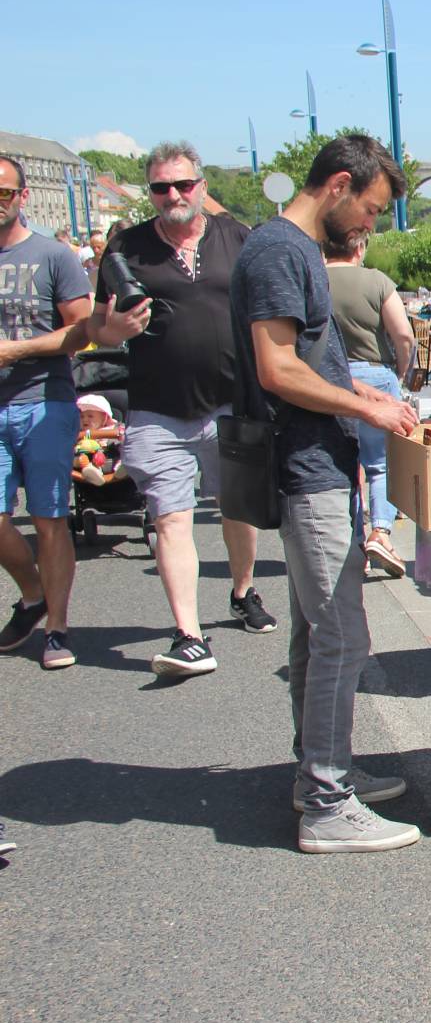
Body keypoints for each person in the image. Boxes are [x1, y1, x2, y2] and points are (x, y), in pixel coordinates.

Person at [231, 134, 418, 854]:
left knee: (319, 632)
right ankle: (326, 801)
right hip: (306, 465)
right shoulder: (281, 251)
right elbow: (277, 368)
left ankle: (322, 772)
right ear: (338, 185)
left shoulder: (292, 248)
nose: (370, 226)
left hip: (318, 462)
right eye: (369, 210)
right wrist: (366, 407)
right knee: (342, 634)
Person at [88, 142, 277, 678]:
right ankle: (189, 636)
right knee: (171, 519)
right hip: (157, 409)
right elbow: (97, 326)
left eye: (183, 185)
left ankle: (242, 591)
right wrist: (115, 330)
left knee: (236, 510)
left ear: (202, 186)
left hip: (229, 404)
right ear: (150, 192)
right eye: (161, 187)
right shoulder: (127, 246)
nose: (173, 195)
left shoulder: (236, 238)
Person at [0, 156, 140, 667]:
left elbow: (81, 330)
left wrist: (14, 351)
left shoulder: (53, 256)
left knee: (49, 518)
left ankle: (56, 627)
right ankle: (34, 593)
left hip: (42, 400)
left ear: (21, 198)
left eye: (5, 194)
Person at [321, 233, 414, 577]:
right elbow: (403, 334)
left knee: (345, 466)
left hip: (331, 380)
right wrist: (401, 370)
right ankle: (381, 533)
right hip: (376, 376)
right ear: (359, 248)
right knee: (381, 464)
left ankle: (354, 542)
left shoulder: (316, 281)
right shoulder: (376, 281)